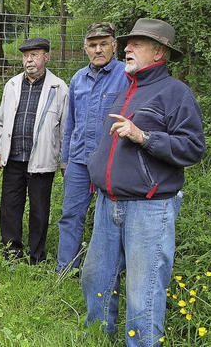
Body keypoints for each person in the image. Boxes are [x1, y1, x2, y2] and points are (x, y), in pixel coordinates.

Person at [83, 18, 205, 346]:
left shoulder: (175, 92)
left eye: (137, 43)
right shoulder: (127, 90)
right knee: (96, 281)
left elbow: (193, 147)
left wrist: (144, 136)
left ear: (159, 51)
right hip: (109, 204)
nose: (126, 48)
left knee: (143, 293)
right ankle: (97, 339)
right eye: (128, 42)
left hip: (149, 209)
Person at [55, 22, 129, 273]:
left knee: (111, 219)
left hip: (113, 161)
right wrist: (65, 160)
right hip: (78, 161)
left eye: (103, 44)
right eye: (92, 45)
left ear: (114, 45)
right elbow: (70, 123)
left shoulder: (126, 75)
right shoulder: (78, 78)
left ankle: (107, 271)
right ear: (85, 48)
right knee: (70, 216)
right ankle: (66, 269)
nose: (98, 49)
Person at [0, 38, 68, 265]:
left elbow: (65, 128)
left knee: (39, 210)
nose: (29, 60)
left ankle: (36, 256)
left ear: (47, 56)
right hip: (14, 158)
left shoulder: (59, 87)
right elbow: (0, 121)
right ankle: (11, 254)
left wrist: (64, 162)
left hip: (41, 160)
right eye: (26, 56)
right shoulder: (12, 85)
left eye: (34, 55)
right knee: (10, 208)